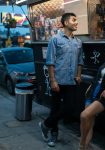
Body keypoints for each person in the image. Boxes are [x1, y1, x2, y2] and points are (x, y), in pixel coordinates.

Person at [39, 12, 83, 147]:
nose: (76, 22)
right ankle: (53, 135)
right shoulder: (55, 39)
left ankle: (45, 124)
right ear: (65, 23)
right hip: (58, 80)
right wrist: (52, 80)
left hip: (71, 81)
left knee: (69, 109)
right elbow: (50, 61)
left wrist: (79, 75)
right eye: (74, 20)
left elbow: (80, 61)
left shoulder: (78, 42)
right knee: (55, 108)